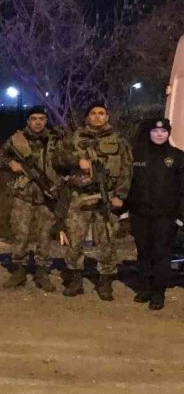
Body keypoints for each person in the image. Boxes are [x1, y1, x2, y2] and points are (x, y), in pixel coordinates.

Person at [52, 102, 132, 300]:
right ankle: (75, 278)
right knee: (74, 239)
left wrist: (120, 195)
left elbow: (127, 169)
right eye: (93, 113)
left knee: (107, 240)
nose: (97, 116)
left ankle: (105, 280)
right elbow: (57, 159)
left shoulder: (119, 140)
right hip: (80, 196)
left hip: (107, 196)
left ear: (107, 116)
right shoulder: (74, 137)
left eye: (101, 113)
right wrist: (76, 160)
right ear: (87, 117)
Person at [125, 117, 184, 310]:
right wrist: (125, 208)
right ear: (149, 133)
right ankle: (146, 288)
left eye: (163, 131)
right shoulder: (137, 155)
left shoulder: (178, 156)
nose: (159, 134)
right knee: (144, 252)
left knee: (161, 253)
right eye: (155, 131)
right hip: (140, 214)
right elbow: (128, 184)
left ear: (168, 133)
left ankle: (158, 292)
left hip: (165, 216)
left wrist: (180, 217)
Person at [2, 106, 61, 291]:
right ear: (28, 121)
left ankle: (42, 272)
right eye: (34, 118)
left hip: (47, 196)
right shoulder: (16, 139)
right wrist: (11, 162)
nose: (38, 122)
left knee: (44, 235)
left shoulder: (55, 140)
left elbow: (66, 161)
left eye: (41, 119)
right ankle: (19, 271)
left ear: (46, 121)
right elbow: (0, 156)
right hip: (24, 196)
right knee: (21, 234)